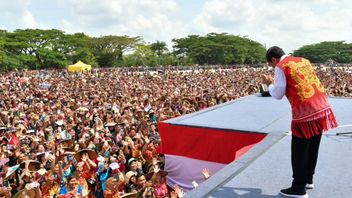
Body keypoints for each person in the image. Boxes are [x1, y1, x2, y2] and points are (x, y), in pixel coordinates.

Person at [263, 46, 338, 198]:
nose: (272, 67)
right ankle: (308, 179)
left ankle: (298, 188)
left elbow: (277, 94)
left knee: (299, 151)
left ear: (273, 59)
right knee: (313, 146)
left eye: (271, 65)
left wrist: (270, 84)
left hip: (305, 112)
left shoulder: (281, 66)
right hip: (321, 106)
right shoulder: (303, 60)